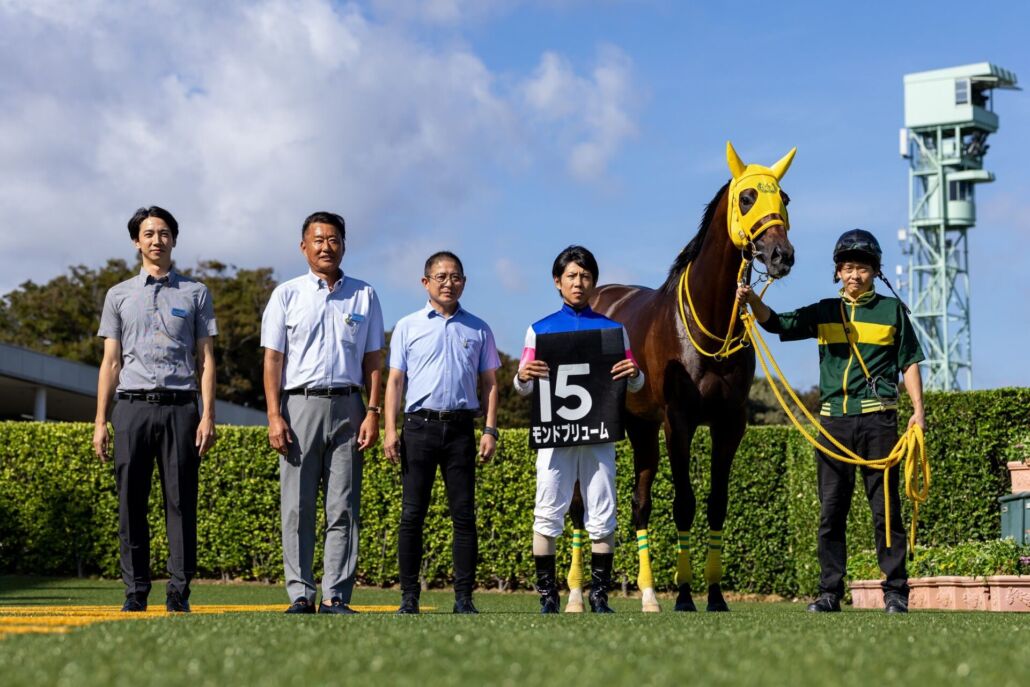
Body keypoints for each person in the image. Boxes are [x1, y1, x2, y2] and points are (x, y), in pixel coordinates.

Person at [737, 228, 926, 614]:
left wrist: (918, 412)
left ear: (875, 272)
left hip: (879, 422)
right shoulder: (824, 310)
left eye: (863, 268)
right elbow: (777, 324)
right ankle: (829, 593)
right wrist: (751, 299)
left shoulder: (893, 311)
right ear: (838, 272)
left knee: (886, 511)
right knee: (831, 513)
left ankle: (895, 592)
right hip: (833, 424)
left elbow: (909, 363)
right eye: (848, 268)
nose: (855, 275)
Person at [93, 206, 218, 613]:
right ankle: (135, 591)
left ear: (174, 239)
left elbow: (206, 360)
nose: (156, 240)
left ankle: (179, 592)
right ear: (136, 241)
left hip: (182, 409)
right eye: (148, 233)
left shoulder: (196, 293)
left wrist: (208, 415)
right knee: (131, 502)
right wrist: (100, 421)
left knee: (181, 503)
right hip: (131, 408)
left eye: (164, 233)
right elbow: (111, 362)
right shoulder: (118, 295)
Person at [261, 211, 385, 615]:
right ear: (303, 247)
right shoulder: (286, 294)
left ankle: (336, 595)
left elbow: (374, 360)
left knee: (343, 507)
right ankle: (300, 593)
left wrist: (373, 411)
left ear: (344, 245)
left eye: (333, 239)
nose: (326, 246)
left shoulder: (365, 295)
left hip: (350, 406)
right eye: (318, 240)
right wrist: (274, 415)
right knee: (297, 507)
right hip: (299, 405)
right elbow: (273, 360)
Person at [515, 245, 644, 613]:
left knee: (603, 512)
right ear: (557, 282)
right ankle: (548, 597)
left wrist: (636, 373)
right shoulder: (538, 330)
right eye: (571, 276)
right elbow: (523, 386)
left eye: (585, 276)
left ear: (593, 282)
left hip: (599, 434)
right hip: (555, 437)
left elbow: (634, 382)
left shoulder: (614, 330)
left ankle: (599, 597)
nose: (578, 282)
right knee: (547, 511)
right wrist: (522, 376)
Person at [383, 251, 501, 615]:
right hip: (418, 428)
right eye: (441, 276)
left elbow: (490, 383)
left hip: (462, 428)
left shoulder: (479, 328)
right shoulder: (407, 326)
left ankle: (464, 599)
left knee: (464, 516)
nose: (449, 283)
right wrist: (390, 429)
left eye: (455, 277)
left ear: (464, 282)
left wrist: (490, 429)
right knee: (411, 515)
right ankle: (409, 598)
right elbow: (395, 381)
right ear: (425, 282)